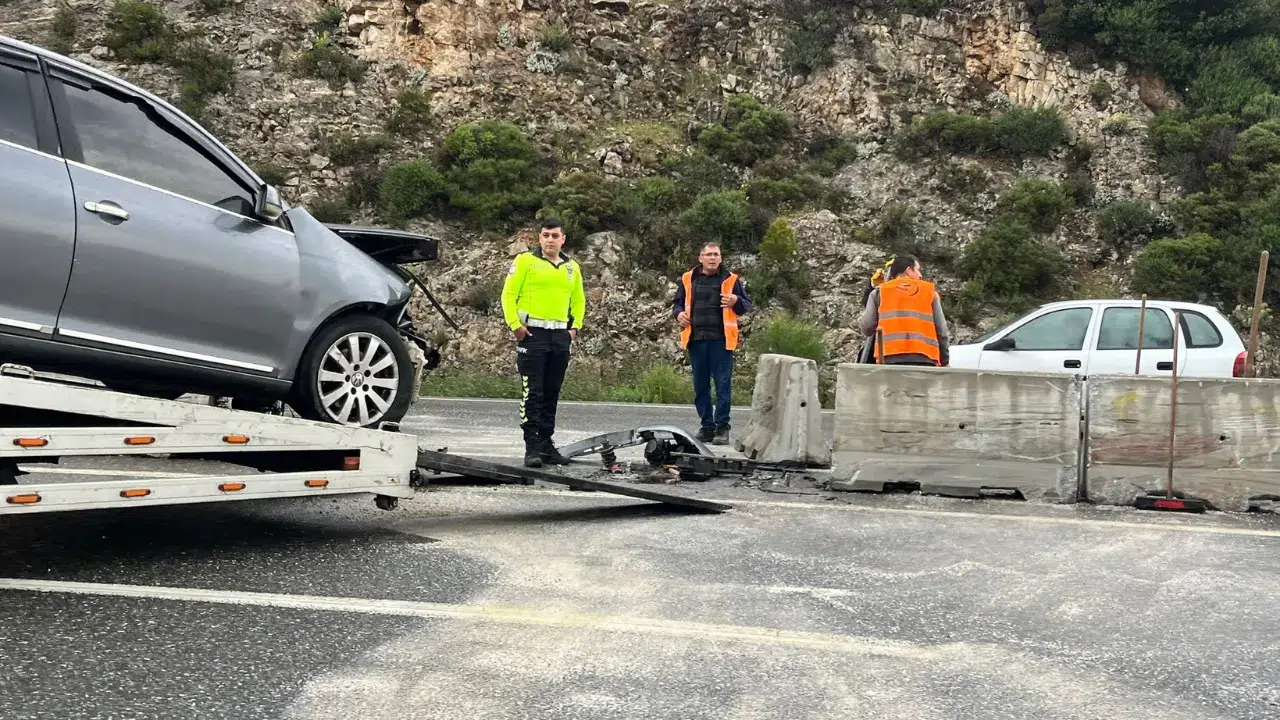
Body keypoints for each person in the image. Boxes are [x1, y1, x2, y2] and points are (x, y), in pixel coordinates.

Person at [501, 218, 586, 467]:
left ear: (563, 239)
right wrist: (515, 325)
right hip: (532, 335)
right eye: (546, 235)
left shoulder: (572, 267)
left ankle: (547, 443)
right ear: (539, 238)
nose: (550, 239)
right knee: (533, 392)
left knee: (552, 392)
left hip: (560, 335)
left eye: (555, 235)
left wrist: (574, 327)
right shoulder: (525, 261)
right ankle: (532, 447)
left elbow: (579, 299)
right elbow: (508, 294)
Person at [673, 242, 752, 445]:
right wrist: (679, 314)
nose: (713, 258)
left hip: (721, 341)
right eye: (709, 254)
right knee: (701, 386)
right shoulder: (687, 278)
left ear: (720, 257)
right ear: (700, 258)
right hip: (696, 340)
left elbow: (746, 306)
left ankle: (722, 428)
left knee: (722, 385)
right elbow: (678, 304)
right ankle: (707, 427)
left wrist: (736, 300)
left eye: (716, 254)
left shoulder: (730, 279)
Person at [859, 254, 950, 367]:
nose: (920, 275)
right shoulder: (930, 293)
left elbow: (867, 328)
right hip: (925, 359)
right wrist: (944, 360)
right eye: (918, 270)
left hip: (889, 359)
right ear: (908, 270)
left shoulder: (879, 293)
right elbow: (942, 331)